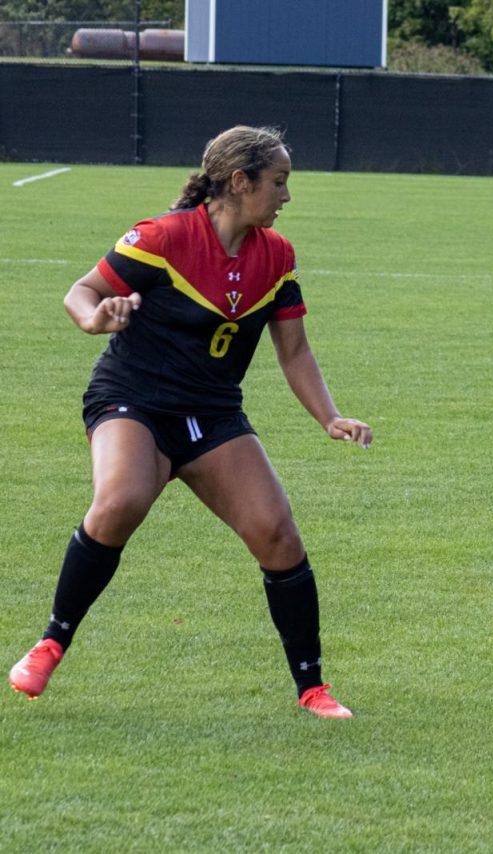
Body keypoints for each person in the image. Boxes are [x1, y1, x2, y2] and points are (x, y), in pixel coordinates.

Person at [7, 126, 372, 718]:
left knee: (278, 534)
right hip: (133, 400)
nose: (286, 196)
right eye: (278, 183)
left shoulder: (276, 255)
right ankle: (51, 644)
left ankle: (313, 688)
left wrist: (329, 416)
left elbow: (295, 351)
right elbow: (82, 290)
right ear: (239, 181)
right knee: (120, 500)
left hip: (212, 413)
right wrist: (95, 318)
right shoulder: (162, 238)